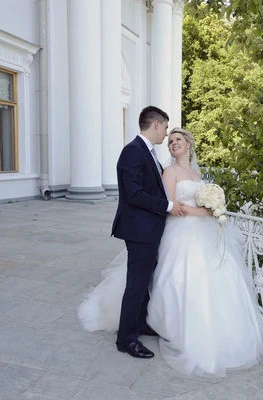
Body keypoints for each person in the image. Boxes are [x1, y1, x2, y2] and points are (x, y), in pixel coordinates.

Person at [78, 127, 263, 377]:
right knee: (180, 278)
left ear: (189, 144)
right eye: (170, 141)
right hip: (182, 232)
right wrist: (207, 212)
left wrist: (214, 208)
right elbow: (169, 206)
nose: (173, 143)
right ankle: (168, 327)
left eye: (177, 139)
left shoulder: (198, 173)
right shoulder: (170, 171)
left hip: (204, 231)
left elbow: (202, 201)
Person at [108, 106, 186, 359]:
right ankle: (126, 339)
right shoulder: (133, 151)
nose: (165, 133)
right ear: (155, 125)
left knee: (143, 283)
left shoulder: (147, 152)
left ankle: (139, 324)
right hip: (139, 230)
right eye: (165, 128)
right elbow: (134, 194)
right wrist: (168, 206)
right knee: (136, 284)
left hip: (148, 230)